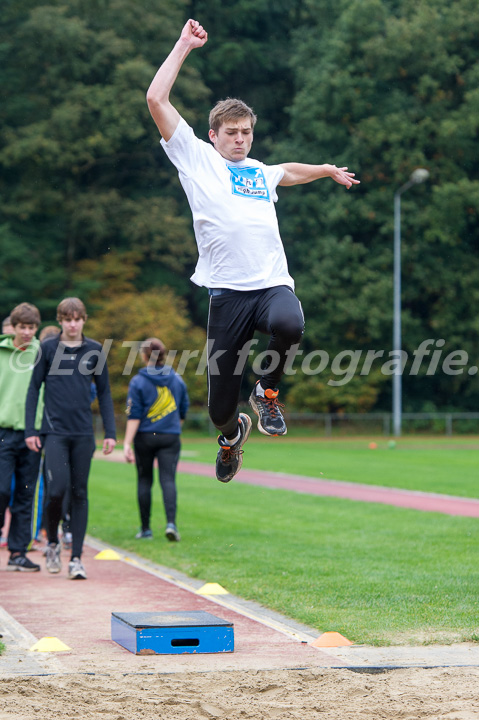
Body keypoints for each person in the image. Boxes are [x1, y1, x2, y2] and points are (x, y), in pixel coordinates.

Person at [146, 20, 360, 483]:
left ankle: (266, 391)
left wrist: (324, 170)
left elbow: (288, 171)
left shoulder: (259, 173)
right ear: (214, 134)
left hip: (269, 285)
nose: (241, 139)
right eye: (232, 132)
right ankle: (232, 438)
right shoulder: (195, 158)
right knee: (220, 410)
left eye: (246, 132)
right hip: (227, 297)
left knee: (291, 323)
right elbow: (156, 101)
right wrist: (183, 45)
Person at [25, 298, 116, 580]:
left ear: (84, 320)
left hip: (83, 433)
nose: (72, 323)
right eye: (67, 319)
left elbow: (104, 393)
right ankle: (52, 542)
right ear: (61, 320)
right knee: (56, 491)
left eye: (77, 318)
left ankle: (76, 558)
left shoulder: (94, 350)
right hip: (54, 432)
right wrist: (31, 430)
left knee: (79, 493)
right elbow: (33, 390)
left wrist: (111, 433)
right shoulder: (48, 348)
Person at [124, 338, 189, 542]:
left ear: (144, 356)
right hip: (170, 435)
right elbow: (183, 409)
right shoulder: (177, 379)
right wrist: (172, 427)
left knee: (145, 480)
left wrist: (127, 442)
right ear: (163, 355)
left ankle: (146, 529)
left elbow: (133, 414)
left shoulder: (138, 381)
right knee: (168, 480)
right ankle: (171, 524)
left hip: (145, 436)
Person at [0, 303, 43, 571]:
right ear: (13, 327)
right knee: (2, 489)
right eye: (22, 327)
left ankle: (17, 552)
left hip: (33, 434)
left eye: (32, 328)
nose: (27, 332)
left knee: (26, 494)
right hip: (3, 432)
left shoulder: (43, 353)